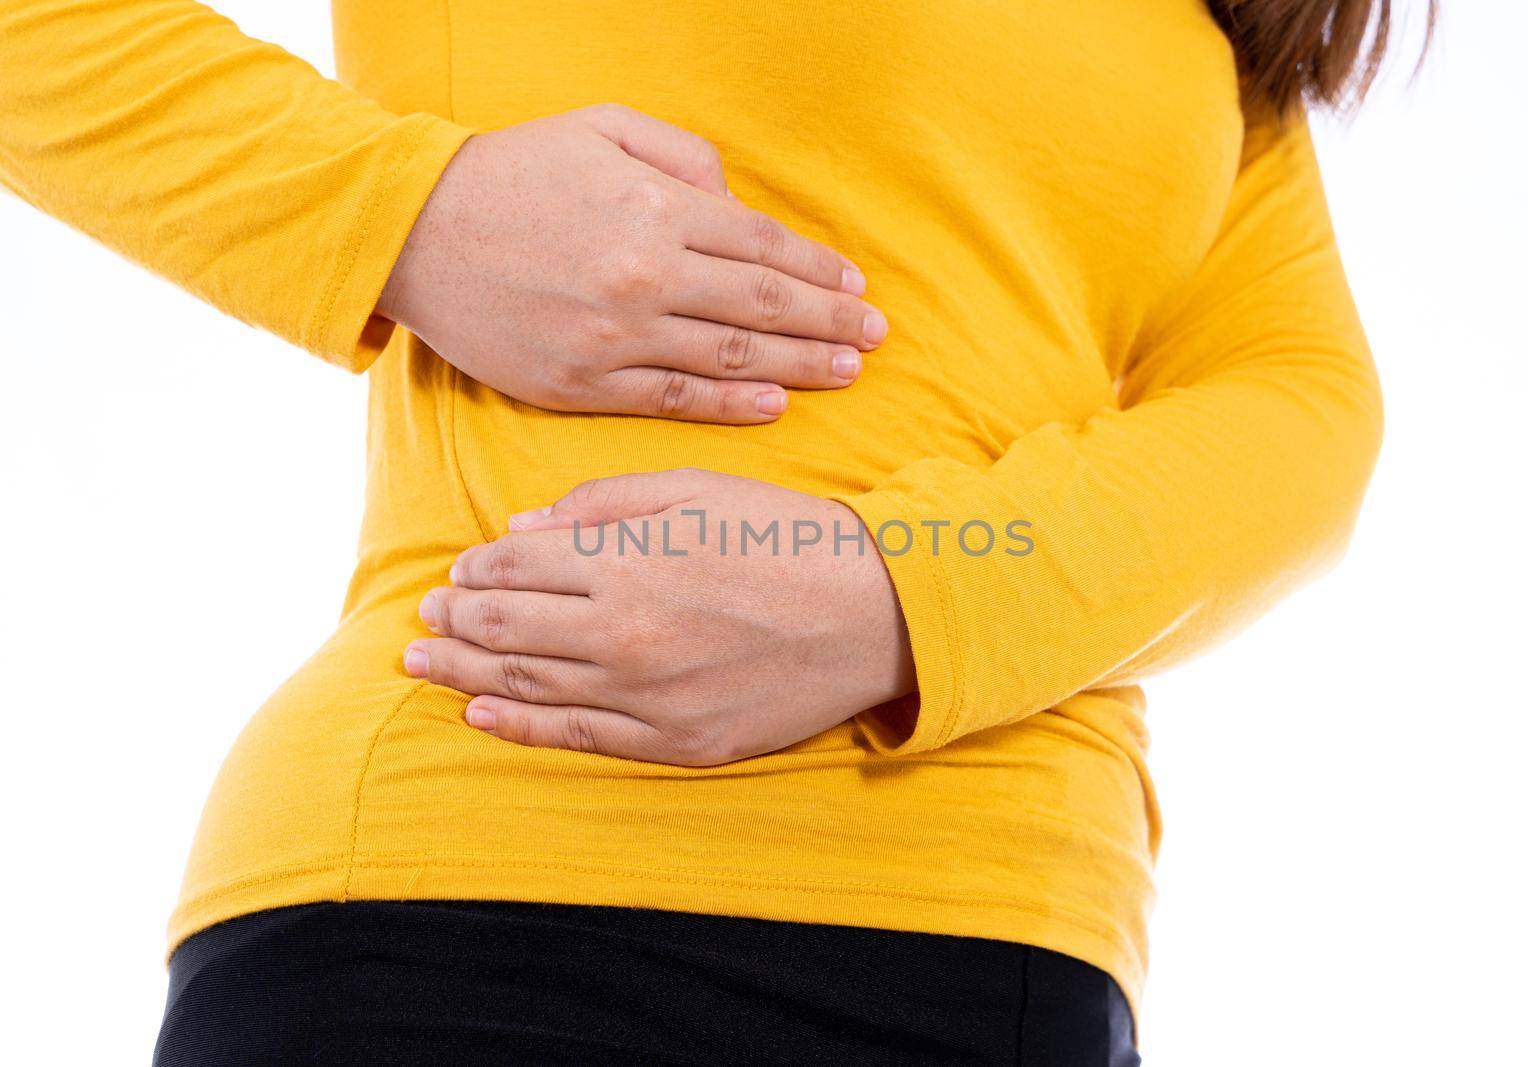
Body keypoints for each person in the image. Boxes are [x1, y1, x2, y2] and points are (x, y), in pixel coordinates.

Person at [0, 1, 1424, 1062]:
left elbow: (1300, 411)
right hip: (472, 879)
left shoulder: (1218, 35)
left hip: (1002, 936)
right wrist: (400, 213)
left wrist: (895, 591)